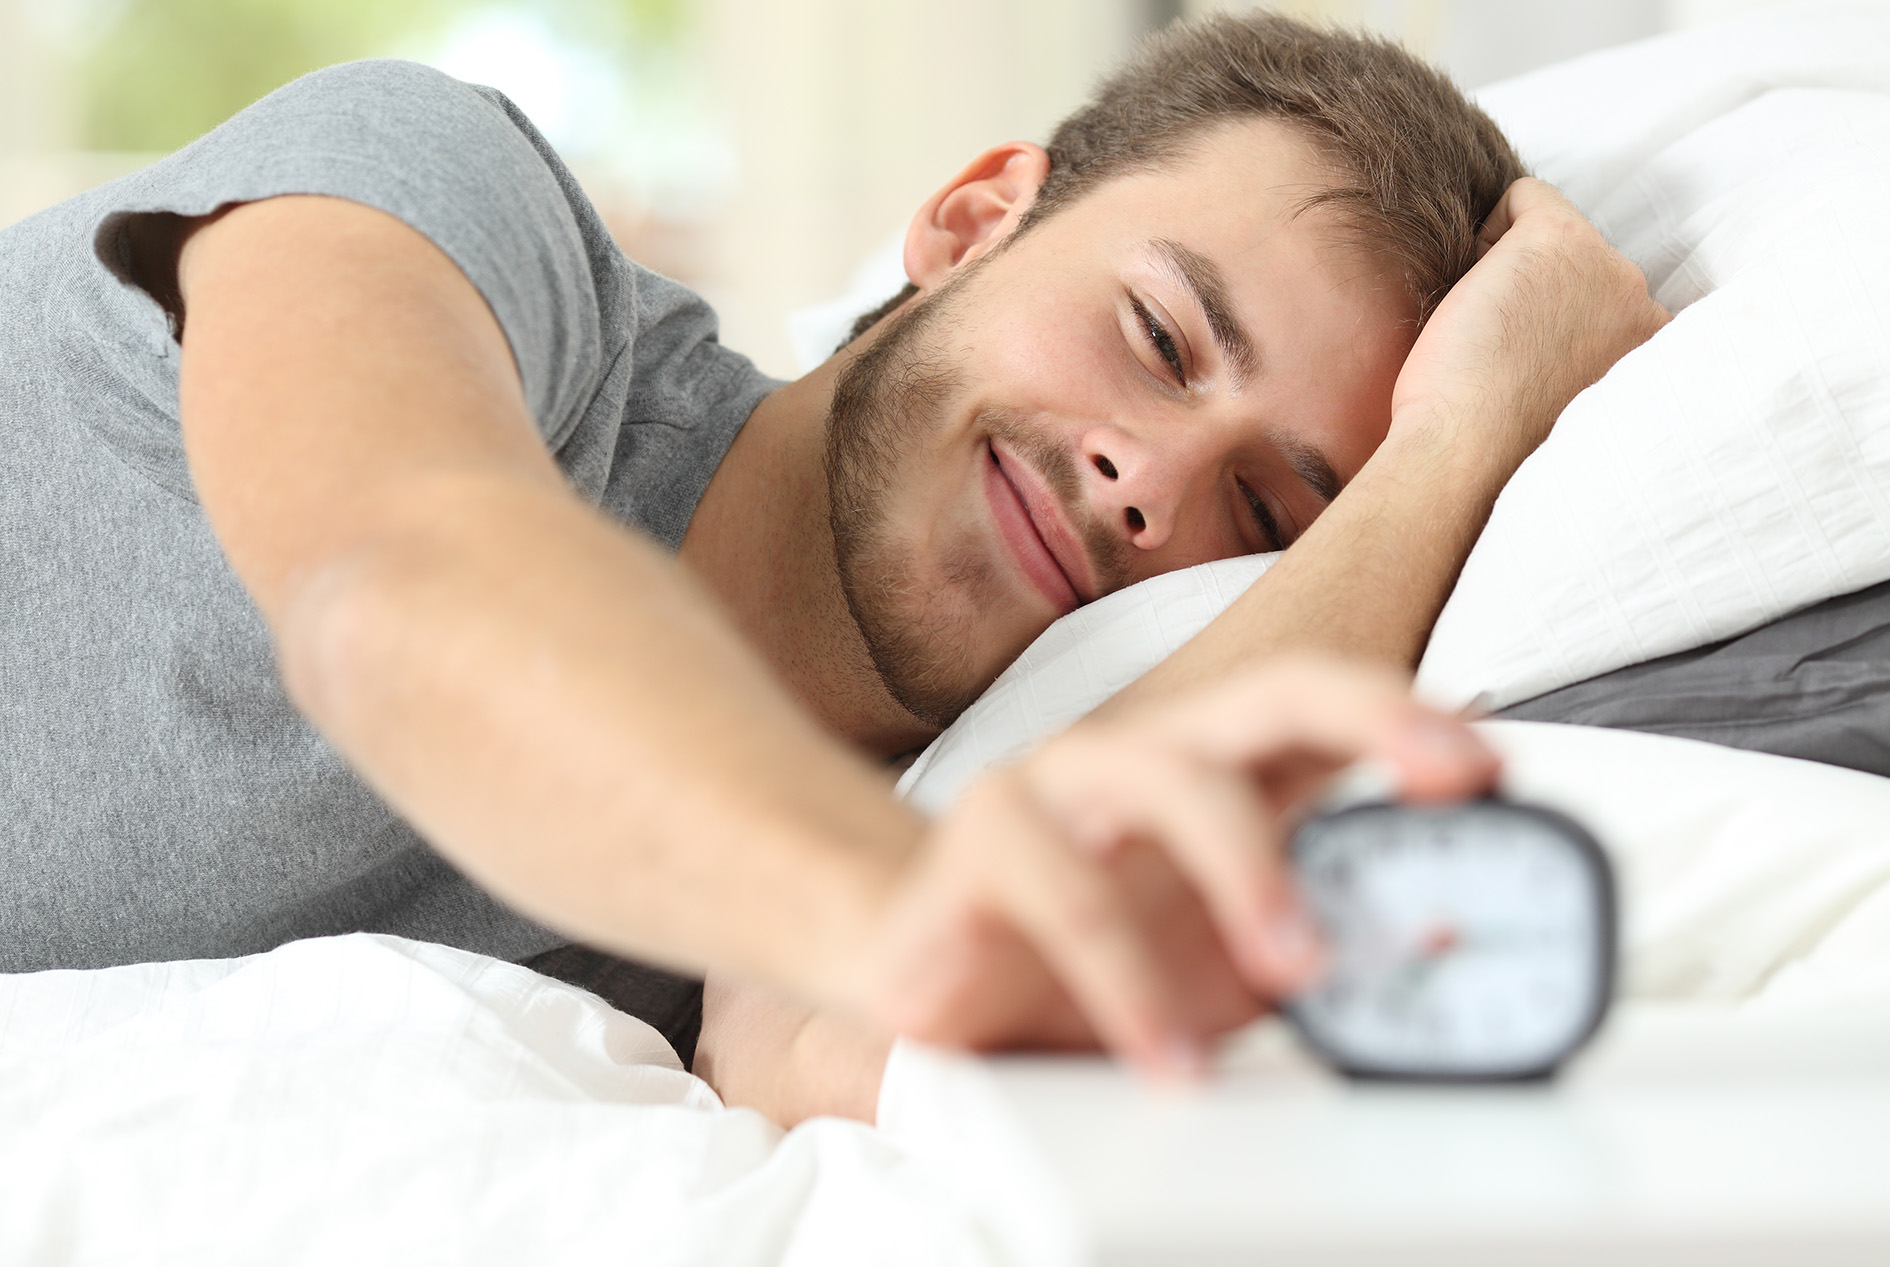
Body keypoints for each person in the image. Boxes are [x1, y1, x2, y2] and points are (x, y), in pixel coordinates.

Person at [0, 12, 1664, 1122]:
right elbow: (397, 588)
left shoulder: (882, 832)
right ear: (969, 222)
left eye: (1266, 514)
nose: (1145, 485)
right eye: (1155, 336)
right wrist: (899, 905)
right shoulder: (457, 202)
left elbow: (836, 1049)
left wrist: (1464, 445)